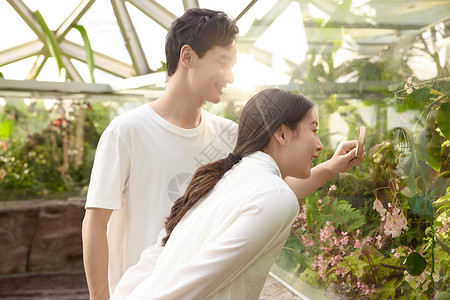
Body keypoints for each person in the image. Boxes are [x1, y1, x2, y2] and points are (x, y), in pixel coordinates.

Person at [83, 8, 363, 300]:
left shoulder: (228, 134)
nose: (230, 76)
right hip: (136, 288)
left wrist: (331, 167)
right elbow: (95, 222)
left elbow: (275, 192)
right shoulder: (127, 131)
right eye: (223, 62)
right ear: (187, 56)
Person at [110, 88, 363, 300]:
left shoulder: (224, 178)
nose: (319, 145)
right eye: (314, 130)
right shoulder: (271, 195)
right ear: (282, 133)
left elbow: (152, 260)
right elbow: (198, 279)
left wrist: (331, 166)